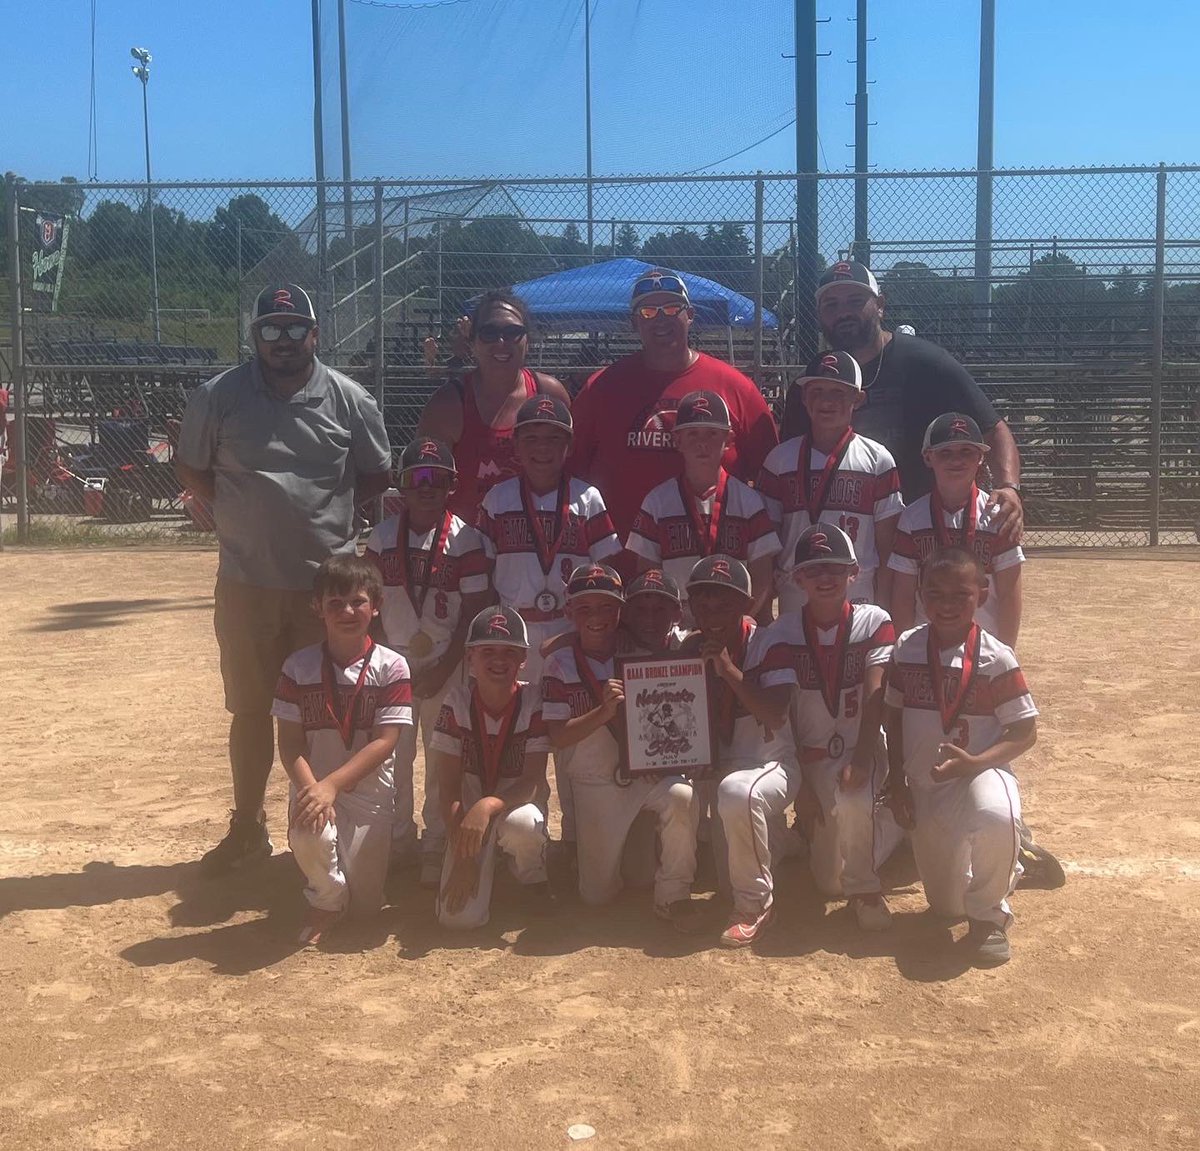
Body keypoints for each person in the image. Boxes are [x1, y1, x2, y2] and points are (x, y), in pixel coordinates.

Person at [176, 283, 393, 876]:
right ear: (255, 336)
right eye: (270, 329)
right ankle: (248, 826)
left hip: (327, 592)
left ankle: (333, 829)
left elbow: (376, 474)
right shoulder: (218, 397)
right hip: (247, 582)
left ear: (315, 334)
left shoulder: (349, 399)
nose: (283, 339)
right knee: (250, 710)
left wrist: (322, 517)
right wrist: (241, 512)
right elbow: (191, 467)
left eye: (295, 328)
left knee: (329, 712)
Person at [782, 260, 1023, 537]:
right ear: (819, 314)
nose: (843, 312)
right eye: (831, 305)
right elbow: (789, 459)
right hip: (840, 535)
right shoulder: (812, 384)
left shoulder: (926, 363)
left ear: (880, 305)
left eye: (855, 301)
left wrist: (1009, 487)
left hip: (921, 530)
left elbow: (994, 429)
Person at [882, 547, 1039, 966]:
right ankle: (1015, 865)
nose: (946, 605)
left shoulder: (996, 656)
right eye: (935, 594)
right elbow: (892, 718)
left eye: (960, 595)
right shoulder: (907, 648)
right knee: (947, 906)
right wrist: (896, 782)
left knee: (997, 812)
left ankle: (989, 918)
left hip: (978, 774)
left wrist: (976, 763)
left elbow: (1025, 732)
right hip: (925, 785)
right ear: (920, 595)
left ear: (981, 595)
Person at [542, 564, 702, 931]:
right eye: (585, 608)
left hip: (645, 778)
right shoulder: (559, 663)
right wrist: (602, 712)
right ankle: (599, 856)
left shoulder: (641, 651)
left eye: (607, 607)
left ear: (621, 611)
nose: (596, 617)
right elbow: (557, 736)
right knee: (597, 896)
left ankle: (674, 895)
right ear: (569, 612)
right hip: (596, 782)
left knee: (681, 796)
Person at [758, 524, 903, 931]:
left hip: (861, 747)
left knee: (852, 809)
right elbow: (783, 718)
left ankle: (867, 884)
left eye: (836, 568)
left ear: (854, 573)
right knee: (826, 881)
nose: (825, 577)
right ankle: (831, 834)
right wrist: (802, 786)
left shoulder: (874, 621)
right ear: (797, 578)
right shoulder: (783, 632)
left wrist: (863, 759)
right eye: (814, 569)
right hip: (810, 760)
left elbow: (875, 695)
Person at [364, 436, 493, 887]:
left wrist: (443, 667)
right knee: (392, 757)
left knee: (442, 758)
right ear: (401, 484)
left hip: (446, 666)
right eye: (417, 476)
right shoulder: (382, 537)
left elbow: (473, 611)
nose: (426, 487)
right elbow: (370, 605)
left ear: (451, 486)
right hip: (393, 667)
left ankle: (437, 840)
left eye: (437, 479)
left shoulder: (466, 539)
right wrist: (387, 662)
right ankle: (398, 838)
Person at [570, 267, 779, 543]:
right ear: (634, 322)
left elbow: (771, 477)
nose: (660, 319)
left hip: (716, 560)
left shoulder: (736, 388)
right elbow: (570, 470)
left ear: (690, 315)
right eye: (648, 312)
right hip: (620, 557)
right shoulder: (600, 388)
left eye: (671, 309)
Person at [271, 555, 412, 946]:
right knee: (308, 832)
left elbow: (386, 740)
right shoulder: (298, 666)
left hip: (369, 791)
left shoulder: (393, 666)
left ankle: (338, 888)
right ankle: (326, 899)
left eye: (357, 602)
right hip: (314, 782)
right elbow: (290, 743)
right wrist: (313, 789)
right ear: (317, 608)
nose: (347, 612)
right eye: (335, 603)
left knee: (366, 909)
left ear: (376, 605)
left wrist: (333, 786)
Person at [677, 555, 789, 946]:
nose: (712, 615)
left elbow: (775, 715)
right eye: (702, 604)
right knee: (723, 880)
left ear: (746, 604)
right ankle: (780, 842)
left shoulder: (769, 641)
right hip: (721, 766)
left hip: (771, 762)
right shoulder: (689, 647)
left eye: (724, 604)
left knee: (736, 792)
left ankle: (755, 905)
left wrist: (728, 671)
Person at [477, 394, 622, 683]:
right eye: (531, 438)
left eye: (554, 438)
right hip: (512, 627)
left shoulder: (588, 498)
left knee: (567, 703)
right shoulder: (497, 499)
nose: (542, 447)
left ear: (569, 446)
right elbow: (483, 570)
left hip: (572, 628)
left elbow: (607, 571)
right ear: (516, 444)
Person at [430, 606, 554, 929]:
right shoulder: (456, 702)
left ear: (523, 659)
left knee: (523, 826)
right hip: (468, 819)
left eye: (510, 652)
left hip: (513, 807)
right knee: (456, 921)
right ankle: (487, 862)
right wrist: (463, 856)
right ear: (470, 656)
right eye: (488, 651)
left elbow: (532, 782)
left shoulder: (532, 701)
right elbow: (448, 787)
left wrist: (487, 805)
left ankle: (530, 875)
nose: (499, 660)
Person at [758, 351, 903, 613]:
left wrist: (885, 607)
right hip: (796, 590)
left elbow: (886, 548)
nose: (826, 401)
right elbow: (767, 546)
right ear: (804, 397)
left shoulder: (878, 460)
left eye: (838, 392)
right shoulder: (779, 460)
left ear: (857, 399)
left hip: (857, 593)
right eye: (817, 391)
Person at [627, 390, 781, 622]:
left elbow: (762, 573)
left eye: (712, 433)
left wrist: (739, 621)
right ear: (677, 440)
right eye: (692, 433)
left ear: (728, 440)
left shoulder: (748, 501)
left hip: (733, 624)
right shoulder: (657, 501)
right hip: (676, 627)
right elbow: (648, 573)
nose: (702, 443)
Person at [417, 291, 569, 521]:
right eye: (489, 333)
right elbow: (424, 484)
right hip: (469, 539)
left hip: (539, 536)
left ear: (528, 341)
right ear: (473, 343)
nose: (501, 342)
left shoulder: (549, 394)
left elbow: (571, 469)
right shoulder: (449, 405)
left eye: (513, 332)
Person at [888, 413, 1024, 648]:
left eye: (966, 452)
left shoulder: (997, 515)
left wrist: (1006, 651)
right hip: (926, 647)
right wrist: (906, 651)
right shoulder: (912, 518)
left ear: (981, 457)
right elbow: (903, 596)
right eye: (945, 452)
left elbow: (1009, 594)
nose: (956, 460)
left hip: (984, 646)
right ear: (928, 457)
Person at [621, 568, 684, 655]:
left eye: (660, 610)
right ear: (625, 614)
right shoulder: (611, 651)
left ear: (677, 615)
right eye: (641, 610)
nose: (650, 619)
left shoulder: (691, 647)